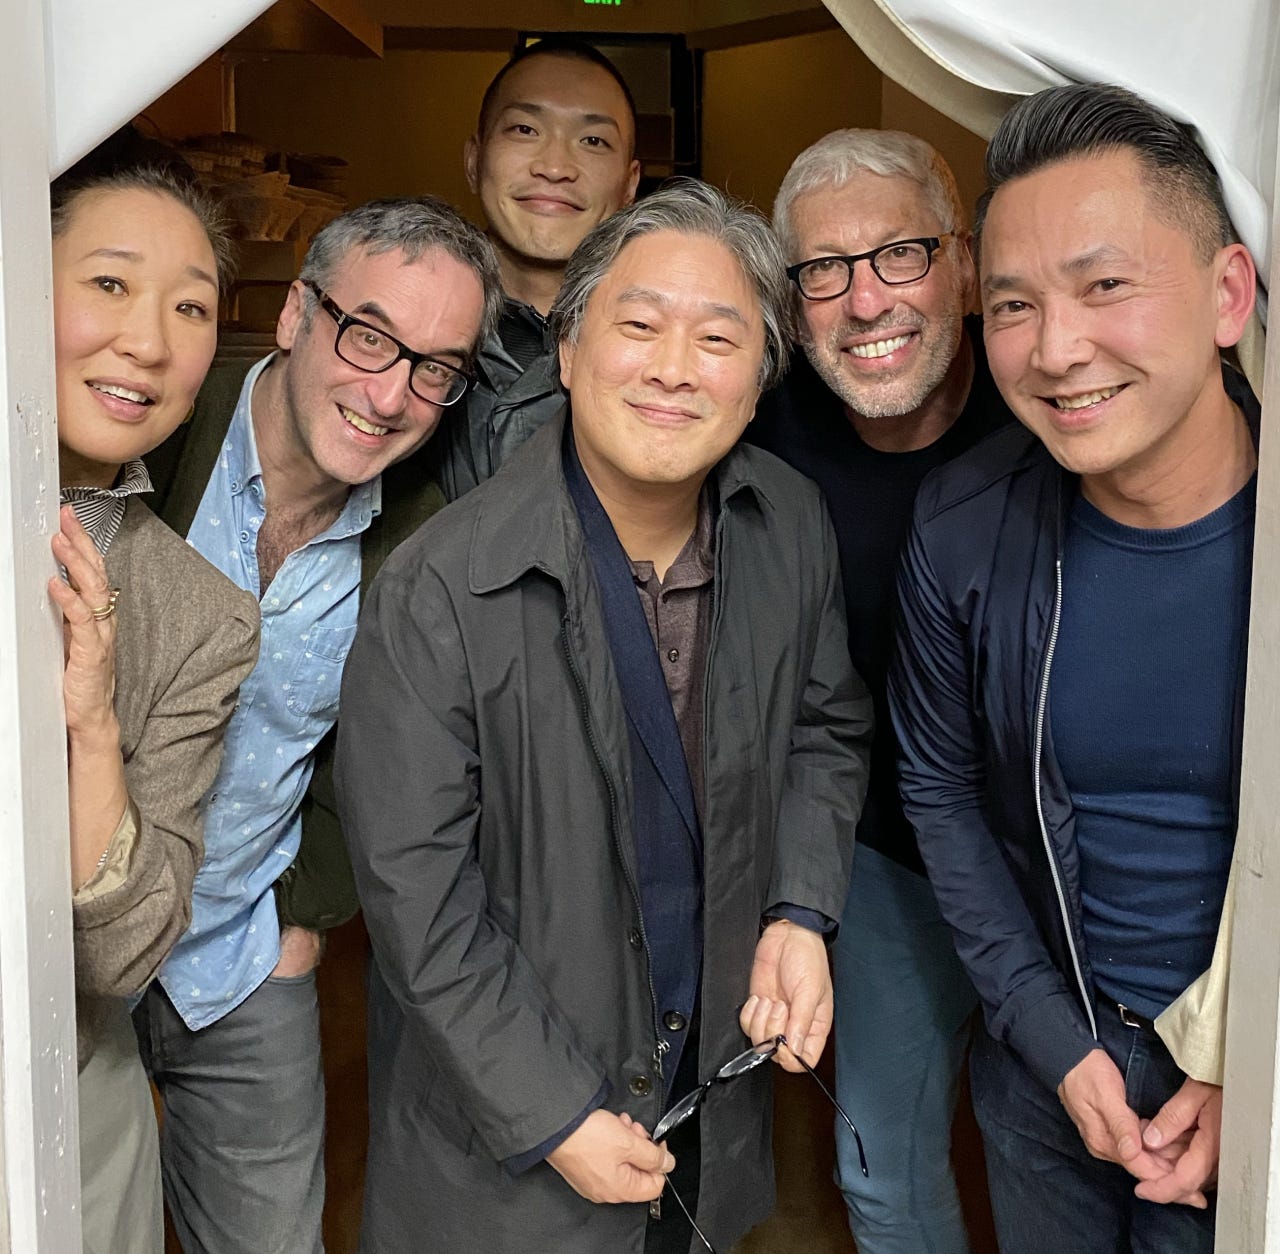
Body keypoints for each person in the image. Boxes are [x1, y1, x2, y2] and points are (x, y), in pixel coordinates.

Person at [335, 179, 874, 1254]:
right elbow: (416, 899)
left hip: (704, 1081)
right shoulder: (442, 584)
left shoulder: (788, 525)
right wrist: (553, 1112)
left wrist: (798, 912)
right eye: (637, 325)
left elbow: (825, 728)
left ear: (758, 380)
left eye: (718, 338)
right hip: (506, 1134)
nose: (674, 368)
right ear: (568, 353)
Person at [891, 83, 1258, 1253]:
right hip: (1048, 1062)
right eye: (1011, 305)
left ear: (1225, 293)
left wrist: (1244, 1052)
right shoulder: (962, 524)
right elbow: (940, 793)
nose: (1055, 351)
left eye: (1104, 286)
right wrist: (1054, 1041)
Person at [133, 196, 501, 1254]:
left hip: (242, 957)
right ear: (296, 314)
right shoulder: (156, 432)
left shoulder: (419, 537)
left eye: (436, 368)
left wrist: (305, 924)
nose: (391, 395)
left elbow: (373, 758)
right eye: (370, 335)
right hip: (72, 952)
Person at [751, 128, 1011, 1254]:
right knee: (885, 1172)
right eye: (823, 269)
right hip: (876, 858)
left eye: (899, 254)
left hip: (1052, 861)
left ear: (960, 263)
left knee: (1065, 1148)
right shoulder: (757, 441)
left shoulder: (1051, 404)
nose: (863, 301)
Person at [48, 153, 259, 1254]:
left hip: (66, 1095)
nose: (150, 340)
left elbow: (122, 955)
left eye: (190, 308)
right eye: (111, 284)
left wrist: (90, 724)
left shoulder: (197, 613)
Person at [437, 36, 641, 499]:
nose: (555, 167)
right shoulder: (407, 331)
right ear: (474, 161)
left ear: (630, 184)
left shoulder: (662, 349)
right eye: (525, 130)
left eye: (593, 140)